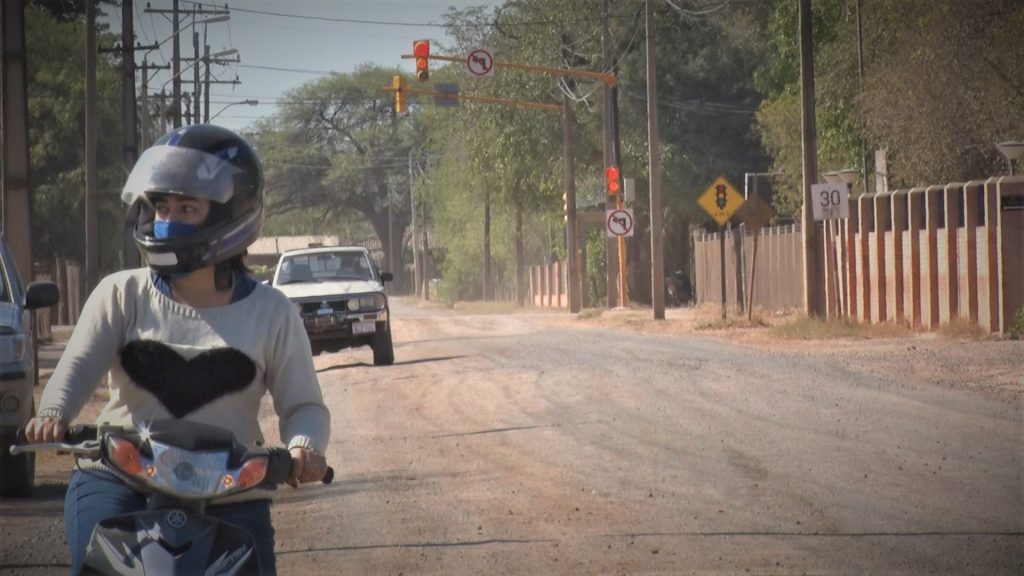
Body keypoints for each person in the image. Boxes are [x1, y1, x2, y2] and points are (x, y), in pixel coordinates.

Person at [26, 124, 331, 575]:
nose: (167, 220)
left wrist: (304, 449)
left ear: (231, 214)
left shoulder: (273, 312)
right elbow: (77, 368)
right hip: (118, 477)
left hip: (233, 490)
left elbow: (304, 404)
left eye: (187, 207)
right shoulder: (120, 294)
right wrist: (53, 413)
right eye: (161, 206)